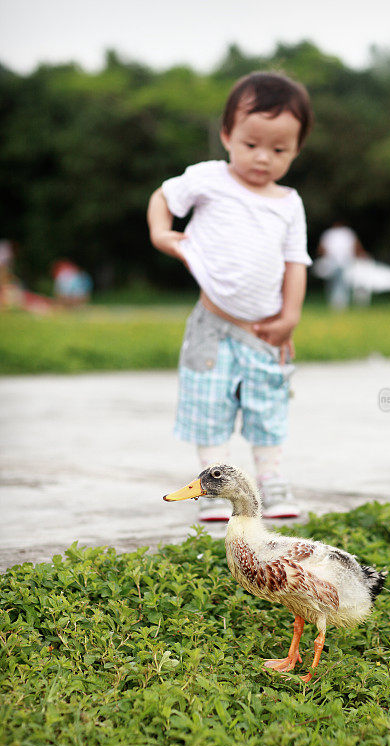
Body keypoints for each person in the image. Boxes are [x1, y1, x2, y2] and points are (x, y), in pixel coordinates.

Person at [147, 72, 313, 522]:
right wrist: (162, 232)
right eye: (251, 144)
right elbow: (163, 196)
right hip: (213, 325)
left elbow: (296, 262)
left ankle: (272, 482)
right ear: (227, 135)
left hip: (264, 330)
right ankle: (215, 486)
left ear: (296, 149)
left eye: (279, 150)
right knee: (208, 405)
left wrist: (290, 316)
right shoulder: (210, 179)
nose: (263, 158)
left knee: (268, 408)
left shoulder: (288, 203)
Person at [315, 222, 366, 308]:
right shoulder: (346, 233)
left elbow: (321, 249)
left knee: (338, 282)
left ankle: (338, 302)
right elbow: (356, 246)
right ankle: (339, 302)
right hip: (339, 261)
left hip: (338, 261)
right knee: (341, 282)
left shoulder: (330, 234)